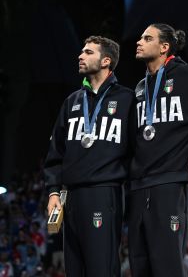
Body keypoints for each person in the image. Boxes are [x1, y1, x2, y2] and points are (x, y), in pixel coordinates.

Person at [128, 23, 188, 277]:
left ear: (164, 47)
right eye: (140, 37)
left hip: (168, 184)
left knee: (167, 266)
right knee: (140, 266)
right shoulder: (140, 87)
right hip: (138, 186)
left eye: (147, 38)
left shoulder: (185, 76)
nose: (139, 41)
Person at [44, 36, 134, 276]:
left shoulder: (127, 100)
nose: (80, 56)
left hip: (103, 193)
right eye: (81, 52)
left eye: (88, 52)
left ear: (106, 61)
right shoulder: (72, 101)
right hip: (69, 198)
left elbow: (139, 149)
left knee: (101, 268)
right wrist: (54, 191)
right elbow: (56, 154)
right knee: (74, 269)